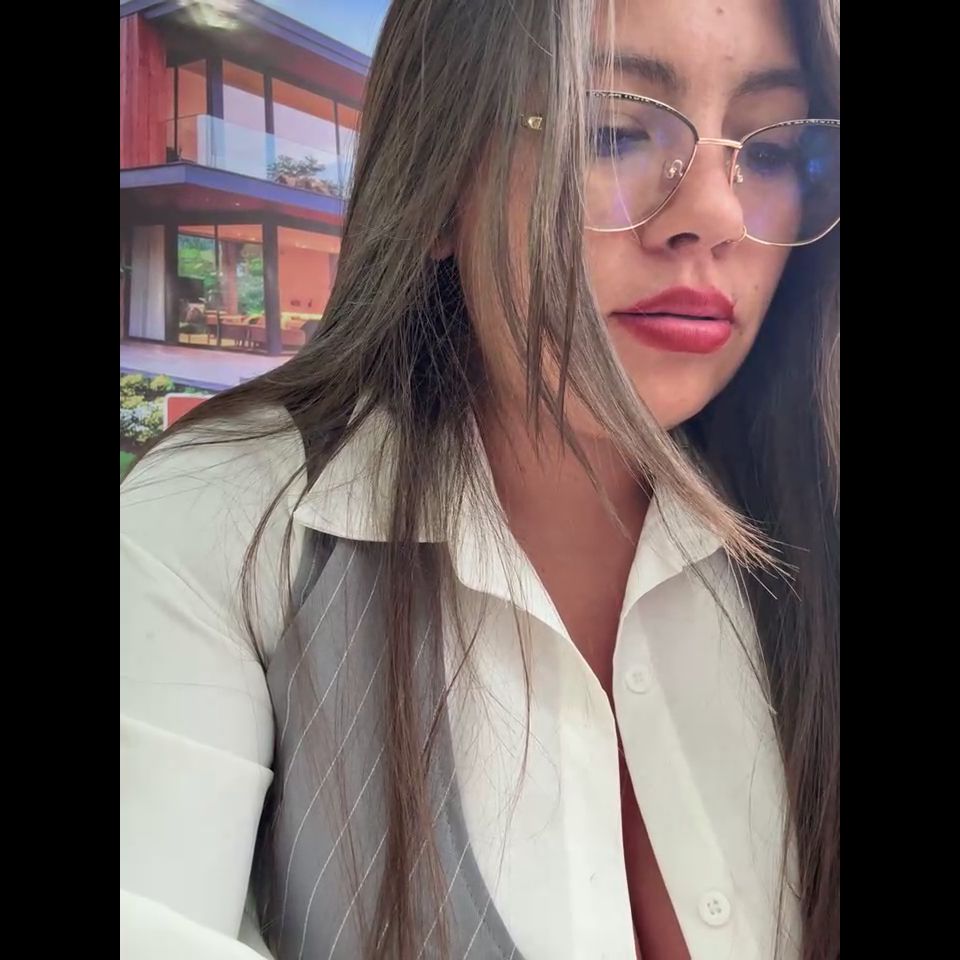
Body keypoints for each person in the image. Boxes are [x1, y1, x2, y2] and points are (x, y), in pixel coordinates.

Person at [120, 0, 840, 957]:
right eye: (610, 131)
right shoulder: (218, 521)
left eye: (774, 151)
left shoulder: (816, 508)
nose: (716, 215)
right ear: (440, 182)